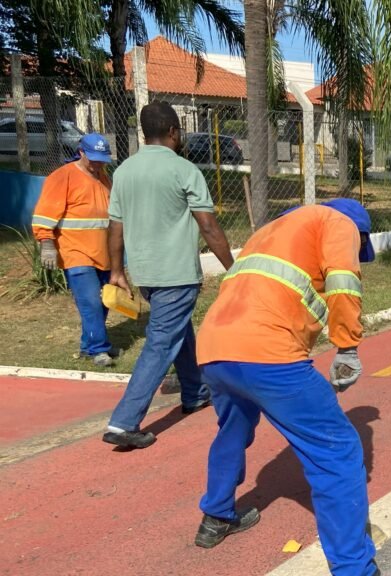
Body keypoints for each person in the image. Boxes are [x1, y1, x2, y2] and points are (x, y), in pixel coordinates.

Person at [193, 198, 378, 576]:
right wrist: (347, 347)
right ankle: (354, 568)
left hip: (213, 348)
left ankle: (216, 515)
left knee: (234, 428)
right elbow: (344, 283)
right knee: (338, 453)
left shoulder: (272, 230)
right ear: (358, 232)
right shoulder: (339, 222)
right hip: (269, 355)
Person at [103, 102, 234, 449]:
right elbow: (208, 225)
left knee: (178, 330)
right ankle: (123, 422)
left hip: (146, 274)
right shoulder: (184, 170)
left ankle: (193, 392)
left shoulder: (124, 171)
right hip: (176, 273)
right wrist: (234, 269)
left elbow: (115, 227)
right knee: (161, 342)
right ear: (174, 131)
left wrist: (117, 270)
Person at [32, 133, 118, 367]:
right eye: (93, 158)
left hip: (102, 252)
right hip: (75, 252)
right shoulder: (62, 177)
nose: (98, 163)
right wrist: (47, 243)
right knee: (89, 301)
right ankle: (99, 350)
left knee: (102, 302)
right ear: (81, 152)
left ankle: (88, 344)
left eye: (102, 159)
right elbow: (44, 213)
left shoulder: (103, 178)